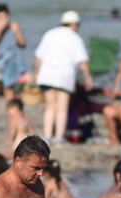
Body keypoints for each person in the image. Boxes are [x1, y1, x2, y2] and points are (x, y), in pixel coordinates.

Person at [34, 10, 93, 145]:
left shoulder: (50, 33)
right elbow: (82, 60)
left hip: (47, 74)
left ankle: (48, 135)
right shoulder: (74, 37)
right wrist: (88, 77)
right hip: (64, 76)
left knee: (50, 106)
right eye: (77, 25)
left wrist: (36, 73)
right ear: (73, 24)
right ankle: (59, 137)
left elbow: (39, 57)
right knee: (62, 108)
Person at [0, 3, 27, 129]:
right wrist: (1, 30)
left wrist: (17, 32)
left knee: (12, 94)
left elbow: (23, 44)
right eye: (0, 17)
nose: (3, 20)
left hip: (10, 63)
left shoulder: (13, 26)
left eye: (5, 17)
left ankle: (14, 123)